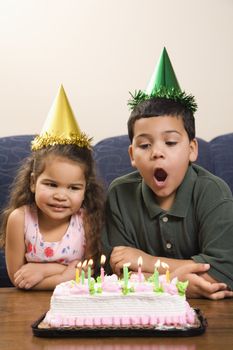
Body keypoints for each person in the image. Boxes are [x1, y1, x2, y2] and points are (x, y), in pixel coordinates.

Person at [102, 48, 233, 299]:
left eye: (170, 143)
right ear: (132, 155)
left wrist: (149, 263)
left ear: (191, 149)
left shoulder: (213, 192)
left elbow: (222, 273)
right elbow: (118, 272)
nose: (157, 153)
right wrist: (181, 281)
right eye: (144, 145)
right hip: (138, 317)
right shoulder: (119, 194)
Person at [0, 85, 105, 290]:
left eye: (73, 188)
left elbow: (87, 272)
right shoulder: (19, 219)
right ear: (32, 182)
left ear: (86, 189)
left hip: (76, 306)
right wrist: (67, 273)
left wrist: (43, 271)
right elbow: (18, 279)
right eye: (51, 184)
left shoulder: (86, 220)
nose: (60, 195)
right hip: (28, 307)